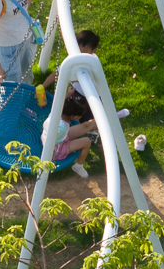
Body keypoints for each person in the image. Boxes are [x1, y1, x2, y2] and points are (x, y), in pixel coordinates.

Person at [46, 29, 130, 179]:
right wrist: (44, 85)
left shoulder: (92, 63)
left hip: (91, 95)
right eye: (79, 49)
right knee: (86, 128)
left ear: (93, 51)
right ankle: (104, 123)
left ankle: (106, 120)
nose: (81, 54)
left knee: (90, 121)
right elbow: (58, 73)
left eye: (85, 51)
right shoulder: (61, 125)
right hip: (60, 142)